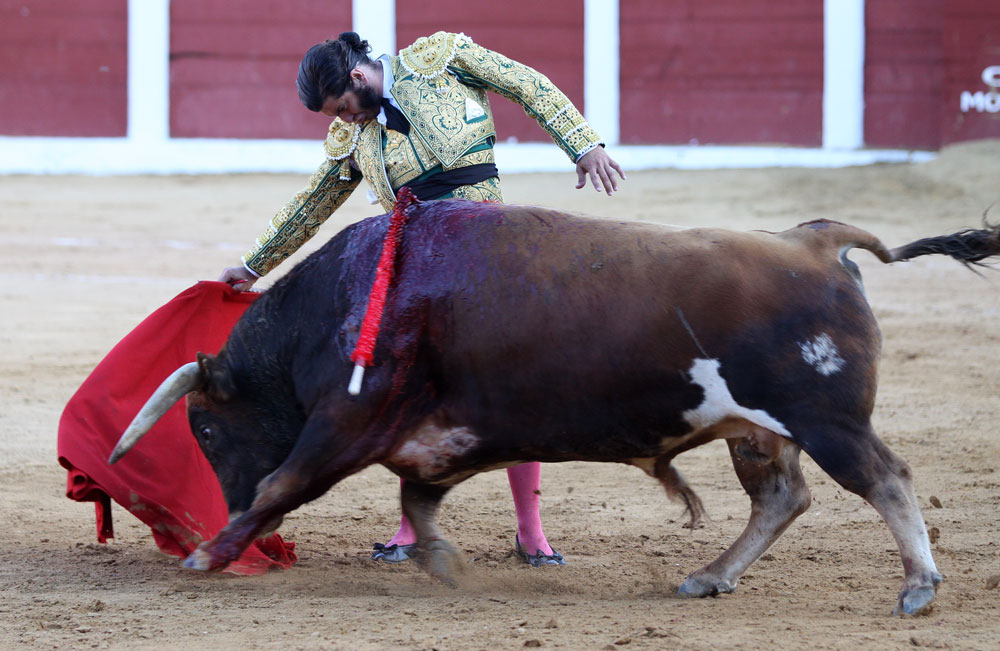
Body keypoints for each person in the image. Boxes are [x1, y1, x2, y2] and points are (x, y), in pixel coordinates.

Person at [218, 30, 625, 566]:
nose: (345, 121)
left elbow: (527, 84)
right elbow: (312, 202)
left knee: (513, 381)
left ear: (359, 78)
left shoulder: (442, 60)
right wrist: (253, 265)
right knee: (408, 388)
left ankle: (531, 530)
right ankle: (411, 526)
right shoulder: (355, 138)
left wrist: (584, 144)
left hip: (485, 250)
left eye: (343, 108)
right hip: (414, 273)